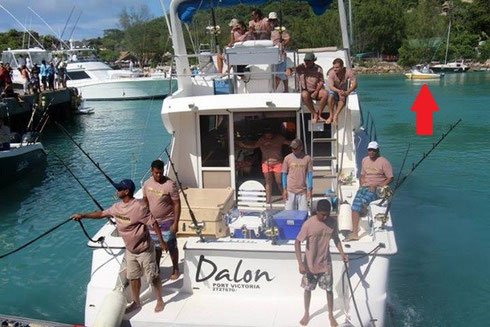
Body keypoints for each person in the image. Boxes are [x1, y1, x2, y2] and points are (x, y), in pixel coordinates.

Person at [71, 179, 166, 313]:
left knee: (153, 277)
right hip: (130, 251)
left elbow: (154, 223)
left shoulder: (139, 207)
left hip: (145, 250)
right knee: (133, 277)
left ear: (126, 191)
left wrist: (161, 241)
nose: (117, 191)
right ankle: (136, 302)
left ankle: (160, 299)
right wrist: (83, 215)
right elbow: (101, 214)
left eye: (119, 189)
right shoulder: (116, 208)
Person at [295, 199, 348, 327]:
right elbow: (297, 242)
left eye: (327, 214)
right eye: (322, 214)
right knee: (308, 290)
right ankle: (306, 313)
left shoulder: (332, 223)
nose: (325, 217)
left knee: (329, 290)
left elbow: (336, 239)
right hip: (309, 265)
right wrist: (301, 264)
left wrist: (342, 254)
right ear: (316, 212)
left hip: (325, 265)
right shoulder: (308, 224)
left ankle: (330, 315)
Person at [143, 159, 181, 280]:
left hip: (167, 221)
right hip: (152, 222)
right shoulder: (147, 184)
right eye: (156, 173)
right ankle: (157, 268)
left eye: (161, 172)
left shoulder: (170, 184)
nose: (159, 175)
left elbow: (176, 204)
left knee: (171, 246)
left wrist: (176, 222)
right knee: (156, 247)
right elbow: (145, 202)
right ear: (151, 172)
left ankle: (175, 268)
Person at [347, 141, 393, 241]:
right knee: (354, 206)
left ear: (377, 150)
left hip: (375, 188)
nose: (371, 152)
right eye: (369, 150)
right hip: (364, 187)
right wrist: (362, 184)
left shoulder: (384, 162)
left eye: (373, 150)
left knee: (362, 203)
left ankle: (363, 209)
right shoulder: (364, 160)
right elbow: (362, 175)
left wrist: (378, 186)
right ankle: (355, 233)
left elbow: (390, 178)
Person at [237, 127, 290, 203]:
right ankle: (268, 200)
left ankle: (285, 197)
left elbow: (288, 142)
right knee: (268, 182)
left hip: (278, 163)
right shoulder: (262, 140)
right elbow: (253, 146)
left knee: (279, 182)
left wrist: (297, 143)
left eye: (270, 134)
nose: (268, 136)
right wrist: (243, 145)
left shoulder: (279, 138)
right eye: (267, 135)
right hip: (266, 163)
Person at [288, 53, 328, 123]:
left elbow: (321, 81)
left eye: (308, 61)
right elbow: (292, 69)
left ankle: (319, 114)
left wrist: (316, 92)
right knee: (304, 95)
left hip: (316, 90)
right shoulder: (301, 67)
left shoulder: (318, 68)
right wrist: (289, 70)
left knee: (325, 93)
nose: (306, 62)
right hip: (305, 91)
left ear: (313, 61)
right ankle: (314, 114)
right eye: (305, 60)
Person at [282, 139, 312, 211]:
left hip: (303, 191)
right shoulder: (287, 158)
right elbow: (284, 174)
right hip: (290, 190)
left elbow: (309, 174)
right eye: (292, 148)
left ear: (301, 147)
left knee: (303, 213)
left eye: (296, 148)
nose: (294, 150)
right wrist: (284, 189)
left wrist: (309, 189)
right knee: (289, 213)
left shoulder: (307, 158)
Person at [327, 58, 357, 124]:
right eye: (334, 67)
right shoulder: (331, 73)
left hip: (345, 90)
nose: (335, 69)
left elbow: (355, 84)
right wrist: (338, 91)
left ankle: (336, 115)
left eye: (337, 67)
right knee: (330, 97)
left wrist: (347, 92)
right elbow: (331, 86)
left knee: (342, 97)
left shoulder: (348, 72)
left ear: (342, 67)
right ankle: (331, 115)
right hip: (335, 90)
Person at [269, 12, 291, 92]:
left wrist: (282, 46)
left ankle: (274, 91)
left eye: (273, 20)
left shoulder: (281, 29)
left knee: (279, 73)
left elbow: (288, 38)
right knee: (281, 73)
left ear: (276, 20)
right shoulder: (269, 30)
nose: (272, 22)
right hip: (272, 54)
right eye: (270, 20)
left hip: (280, 54)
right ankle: (286, 90)